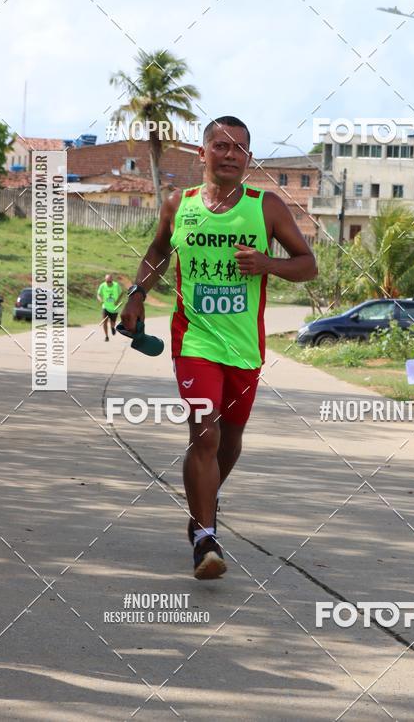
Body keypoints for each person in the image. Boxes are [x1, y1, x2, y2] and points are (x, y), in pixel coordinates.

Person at [121, 116, 317, 579]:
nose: (230, 154)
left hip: (245, 346)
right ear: (203, 152)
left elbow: (307, 265)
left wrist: (268, 262)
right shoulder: (179, 204)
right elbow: (157, 251)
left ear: (248, 158)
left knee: (230, 439)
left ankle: (200, 511)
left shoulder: (266, 207)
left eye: (240, 148)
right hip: (195, 340)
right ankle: (206, 538)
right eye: (221, 145)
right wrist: (136, 293)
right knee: (204, 434)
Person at [97, 274, 122, 341]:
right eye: (107, 281)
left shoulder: (116, 285)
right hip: (105, 307)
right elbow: (98, 294)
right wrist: (100, 299)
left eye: (110, 281)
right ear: (105, 280)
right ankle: (106, 336)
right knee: (104, 321)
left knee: (112, 322)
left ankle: (112, 327)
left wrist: (117, 301)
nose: (108, 283)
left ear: (112, 280)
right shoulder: (102, 285)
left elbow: (121, 293)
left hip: (114, 309)